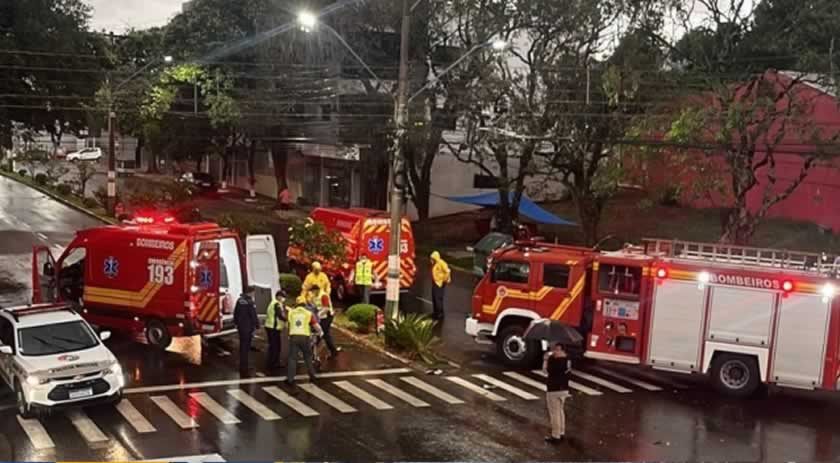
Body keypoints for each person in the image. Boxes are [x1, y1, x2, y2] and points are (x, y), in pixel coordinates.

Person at [285, 300, 323, 387]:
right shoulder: (308, 313)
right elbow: (315, 325)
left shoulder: (291, 313)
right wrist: (320, 332)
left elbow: (288, 325)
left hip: (293, 337)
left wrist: (289, 334)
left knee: (292, 358)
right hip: (305, 338)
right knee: (308, 357)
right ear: (304, 306)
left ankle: (290, 379)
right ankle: (312, 375)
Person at [544, 343, 571, 443]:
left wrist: (546, 359)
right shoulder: (568, 359)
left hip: (553, 388)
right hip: (564, 388)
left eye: (555, 349)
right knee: (560, 411)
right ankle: (561, 432)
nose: (554, 351)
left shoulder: (553, 359)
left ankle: (555, 435)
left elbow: (546, 371)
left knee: (554, 413)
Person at [308, 284, 340, 358]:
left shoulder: (323, 296)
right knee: (323, 334)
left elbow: (326, 308)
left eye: (313, 291)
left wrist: (317, 315)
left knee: (324, 333)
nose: (312, 293)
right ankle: (333, 351)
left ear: (317, 290)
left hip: (327, 317)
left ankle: (332, 351)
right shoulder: (313, 296)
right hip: (321, 317)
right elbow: (314, 306)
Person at [233, 286, 259, 374]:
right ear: (250, 292)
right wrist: (257, 326)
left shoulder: (239, 300)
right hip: (248, 328)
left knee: (242, 347)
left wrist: (236, 323)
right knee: (246, 347)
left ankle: (242, 365)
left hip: (241, 327)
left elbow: (235, 312)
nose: (254, 294)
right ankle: (244, 367)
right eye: (253, 292)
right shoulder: (250, 302)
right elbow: (253, 315)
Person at [264, 289, 287, 372]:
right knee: (276, 346)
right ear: (279, 296)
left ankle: (272, 361)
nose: (284, 299)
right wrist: (288, 319)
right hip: (273, 328)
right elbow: (280, 315)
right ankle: (274, 363)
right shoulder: (276, 304)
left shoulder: (273, 302)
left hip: (270, 327)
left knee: (273, 345)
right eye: (283, 297)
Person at [430, 251, 451, 320]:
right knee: (434, 298)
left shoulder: (441, 263)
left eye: (432, 259)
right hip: (435, 282)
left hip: (439, 283)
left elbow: (447, 271)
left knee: (438, 298)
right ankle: (435, 312)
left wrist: (443, 279)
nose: (431, 260)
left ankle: (440, 314)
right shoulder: (435, 264)